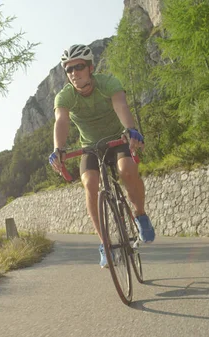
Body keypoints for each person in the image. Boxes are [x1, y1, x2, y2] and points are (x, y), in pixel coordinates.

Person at [48, 44, 155, 268]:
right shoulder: (65, 96)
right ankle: (104, 243)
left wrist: (131, 130)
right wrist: (58, 149)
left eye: (78, 67)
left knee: (126, 170)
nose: (74, 73)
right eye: (68, 69)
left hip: (118, 139)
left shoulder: (108, 83)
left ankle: (140, 215)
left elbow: (121, 105)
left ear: (90, 68)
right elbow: (62, 121)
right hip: (90, 146)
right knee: (90, 183)